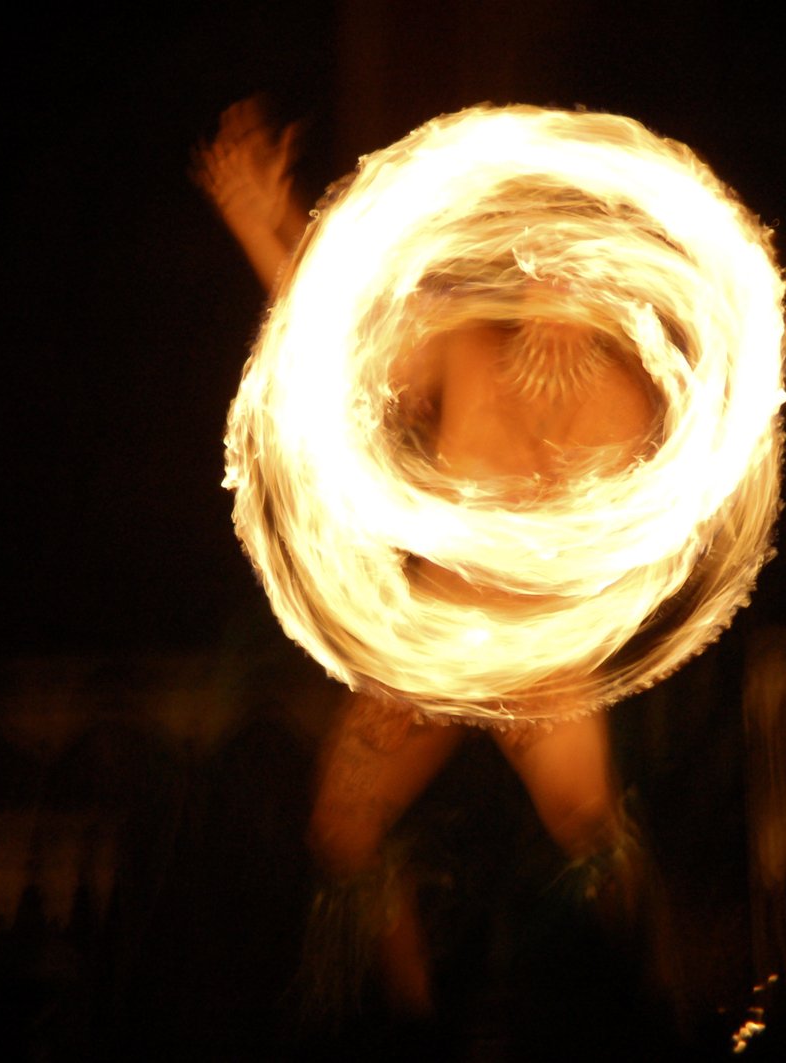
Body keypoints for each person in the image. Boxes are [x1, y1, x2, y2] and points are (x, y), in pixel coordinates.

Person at [195, 98, 661, 1019]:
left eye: (569, 269)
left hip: (538, 655)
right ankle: (412, 1019)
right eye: (535, 268)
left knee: (591, 830)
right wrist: (264, 221)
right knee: (343, 830)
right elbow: (330, 334)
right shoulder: (460, 351)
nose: (548, 286)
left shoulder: (628, 404)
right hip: (431, 636)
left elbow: (659, 516)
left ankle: (654, 1007)